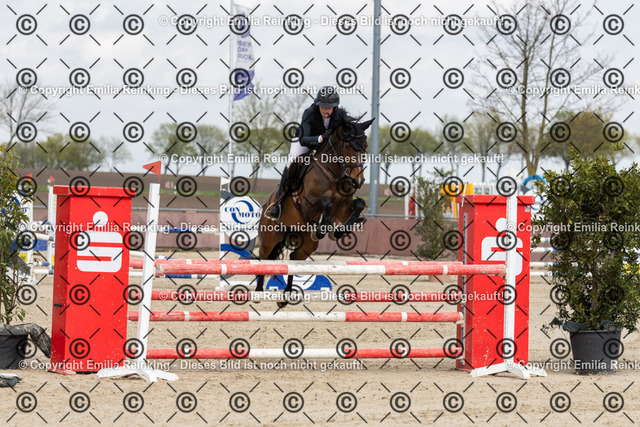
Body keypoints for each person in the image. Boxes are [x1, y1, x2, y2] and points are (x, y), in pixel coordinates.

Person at [265, 86, 348, 220]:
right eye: (322, 106)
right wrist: (320, 138)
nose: (325, 109)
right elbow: (304, 139)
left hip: (324, 145)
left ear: (334, 107)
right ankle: (278, 204)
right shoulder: (309, 113)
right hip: (303, 142)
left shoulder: (339, 116)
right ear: (317, 104)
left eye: (328, 107)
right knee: (291, 164)